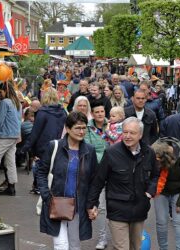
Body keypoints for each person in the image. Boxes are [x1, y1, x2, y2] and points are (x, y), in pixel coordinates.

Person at [87, 117, 159, 250]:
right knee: (122, 247)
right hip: (118, 209)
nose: (128, 136)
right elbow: (98, 180)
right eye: (125, 132)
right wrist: (92, 204)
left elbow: (155, 175)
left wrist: (150, 192)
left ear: (140, 135)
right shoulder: (111, 152)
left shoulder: (149, 152)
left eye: (132, 133)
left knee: (135, 247)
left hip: (139, 209)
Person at [37, 112, 99, 249]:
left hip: (79, 206)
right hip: (56, 203)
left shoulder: (90, 150)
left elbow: (94, 181)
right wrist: (47, 196)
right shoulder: (54, 146)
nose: (82, 131)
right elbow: (41, 172)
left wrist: (93, 204)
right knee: (61, 246)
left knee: (75, 245)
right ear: (68, 128)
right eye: (78, 128)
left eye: (84, 128)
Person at [22, 88, 67, 195]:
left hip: (44, 146)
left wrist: (25, 147)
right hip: (59, 144)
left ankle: (41, 189)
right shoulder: (63, 112)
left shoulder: (42, 112)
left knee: (40, 168)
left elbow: (35, 132)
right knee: (54, 169)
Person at [151, 137, 180, 250]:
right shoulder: (154, 153)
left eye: (160, 160)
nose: (157, 161)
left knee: (179, 222)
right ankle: (163, 248)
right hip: (161, 191)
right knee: (161, 222)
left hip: (178, 191)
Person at [84, 100, 110, 249]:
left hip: (113, 171)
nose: (100, 114)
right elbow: (88, 148)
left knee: (114, 205)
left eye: (102, 111)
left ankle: (120, 235)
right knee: (100, 208)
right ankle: (102, 238)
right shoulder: (88, 129)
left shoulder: (113, 125)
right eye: (97, 112)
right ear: (92, 114)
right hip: (96, 172)